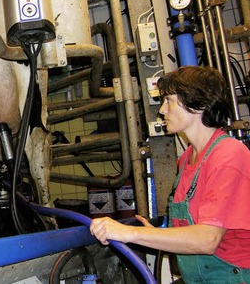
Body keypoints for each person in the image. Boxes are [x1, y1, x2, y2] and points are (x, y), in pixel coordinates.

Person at [89, 65, 250, 283]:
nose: (162, 110)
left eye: (169, 101)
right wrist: (153, 235)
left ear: (199, 104)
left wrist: (130, 233)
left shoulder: (228, 155)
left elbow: (207, 239)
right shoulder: (187, 159)